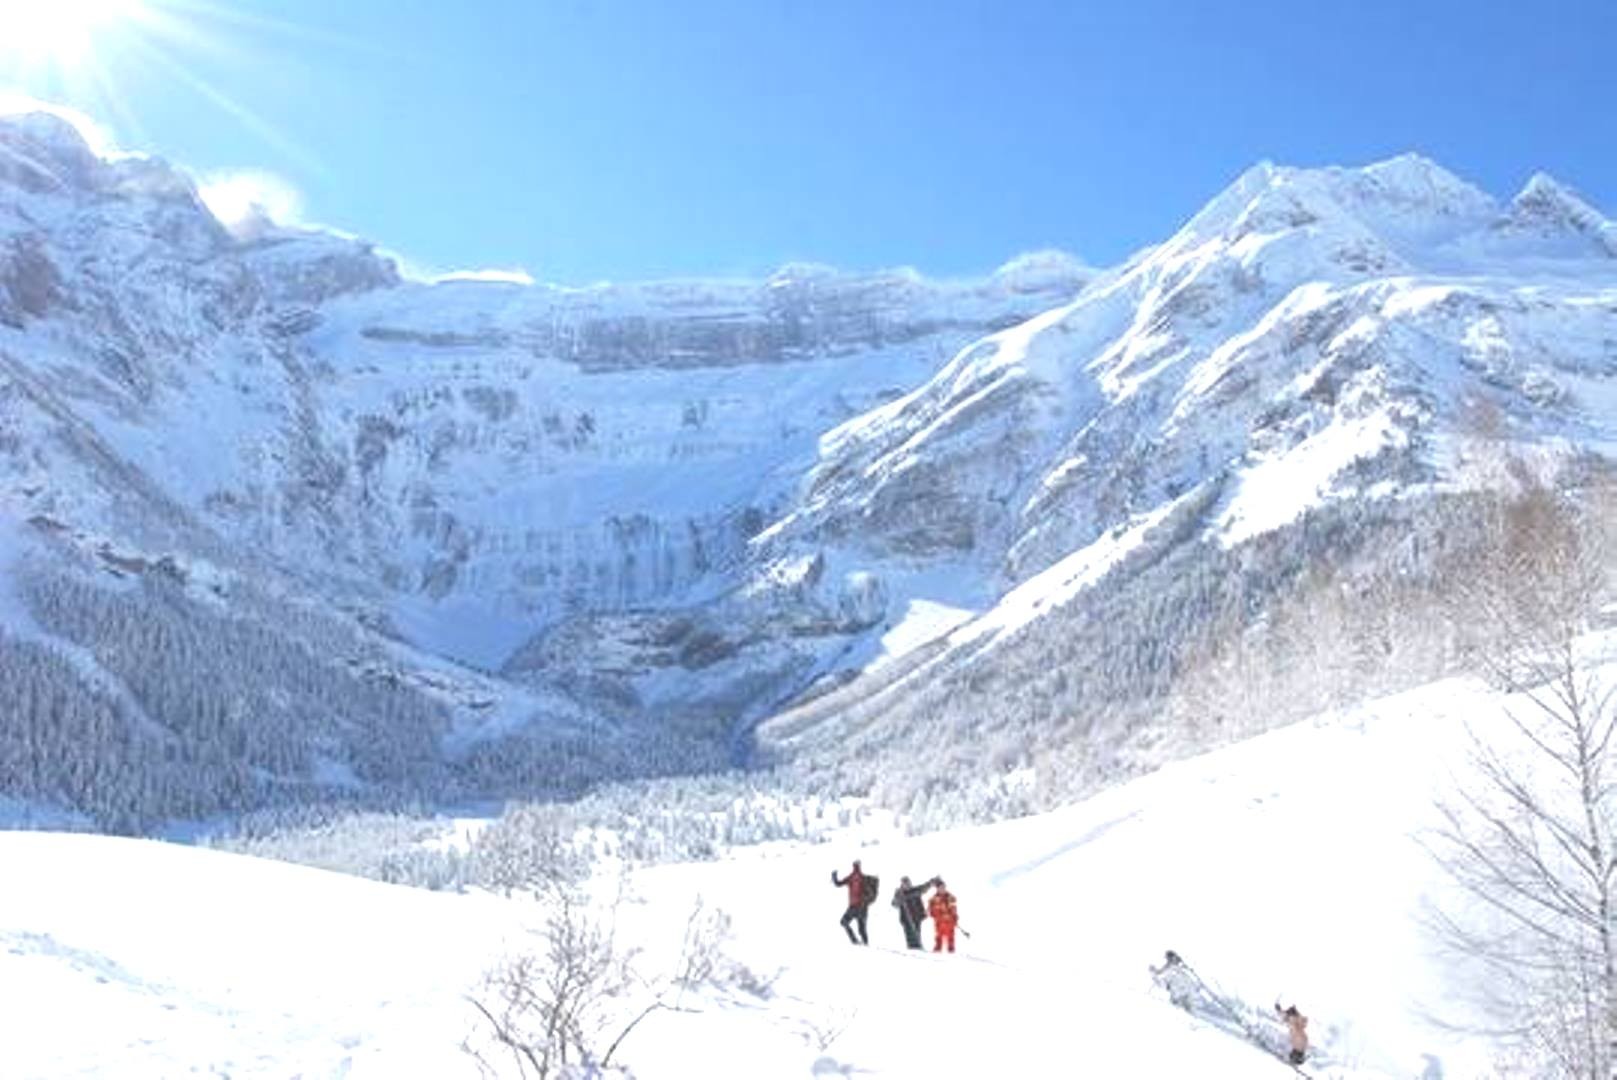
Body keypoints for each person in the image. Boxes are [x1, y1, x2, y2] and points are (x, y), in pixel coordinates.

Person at [831, 860, 871, 945]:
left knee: (845, 922)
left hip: (855, 906)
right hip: (860, 907)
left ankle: (857, 942)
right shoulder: (860, 877)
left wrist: (834, 877)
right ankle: (864, 944)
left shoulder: (853, 877)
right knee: (861, 928)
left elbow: (838, 884)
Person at [891, 875, 932, 949]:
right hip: (906, 918)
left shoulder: (915, 890)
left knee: (917, 932)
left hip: (917, 916)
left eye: (908, 883)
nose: (907, 885)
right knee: (909, 935)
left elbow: (925, 887)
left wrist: (932, 881)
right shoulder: (899, 893)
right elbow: (894, 904)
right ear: (902, 884)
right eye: (905, 883)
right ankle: (911, 948)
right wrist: (899, 899)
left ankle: (918, 946)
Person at [927, 877, 958, 953]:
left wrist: (955, 918)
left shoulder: (951, 897)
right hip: (939, 922)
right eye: (941, 887)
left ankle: (951, 953)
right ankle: (937, 952)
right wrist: (937, 915)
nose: (942, 889)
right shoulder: (933, 899)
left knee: (951, 938)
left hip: (949, 922)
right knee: (938, 938)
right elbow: (930, 911)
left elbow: (954, 909)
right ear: (937, 888)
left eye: (944, 887)